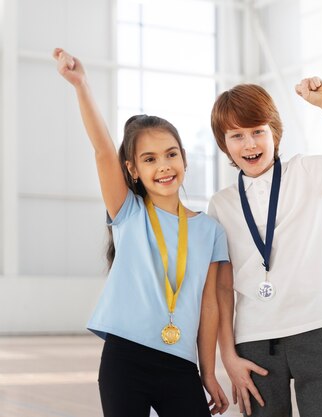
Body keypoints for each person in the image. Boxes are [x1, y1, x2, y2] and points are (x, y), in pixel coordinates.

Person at [53, 48, 229, 417]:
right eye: (149, 159)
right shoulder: (128, 213)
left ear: (184, 158)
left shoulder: (210, 229)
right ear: (132, 169)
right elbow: (103, 150)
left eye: (171, 154)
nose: (163, 166)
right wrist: (81, 85)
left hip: (181, 365)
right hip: (124, 360)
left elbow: (209, 305)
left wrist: (209, 372)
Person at [208, 77, 322, 416]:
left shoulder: (305, 171)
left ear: (275, 131)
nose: (249, 143)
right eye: (236, 135)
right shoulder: (220, 204)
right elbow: (222, 286)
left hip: (318, 327)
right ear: (224, 144)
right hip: (255, 340)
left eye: (258, 131)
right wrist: (228, 355)